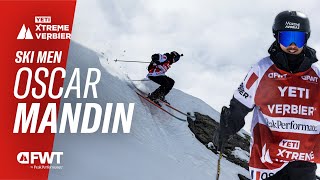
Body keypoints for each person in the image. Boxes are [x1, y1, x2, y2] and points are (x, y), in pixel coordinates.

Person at [214, 11, 319, 180]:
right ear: (277, 37)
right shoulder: (262, 69)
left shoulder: (317, 77)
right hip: (267, 164)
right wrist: (227, 127)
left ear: (306, 39)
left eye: (298, 39)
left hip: (303, 162)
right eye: (286, 38)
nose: (292, 44)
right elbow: (241, 104)